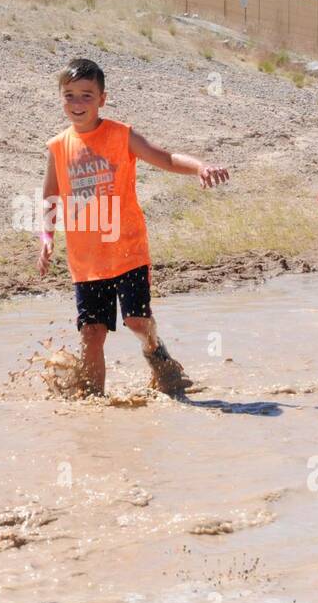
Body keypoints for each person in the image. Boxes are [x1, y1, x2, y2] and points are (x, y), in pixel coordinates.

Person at [36, 58, 229, 396]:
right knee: (92, 334)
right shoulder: (57, 146)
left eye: (86, 95)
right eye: (69, 95)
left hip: (128, 251)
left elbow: (165, 158)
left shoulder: (121, 135)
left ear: (102, 99)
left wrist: (200, 167)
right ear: (60, 97)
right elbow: (50, 195)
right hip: (87, 262)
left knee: (137, 322)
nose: (78, 104)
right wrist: (46, 237)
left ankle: (156, 352)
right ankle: (93, 403)